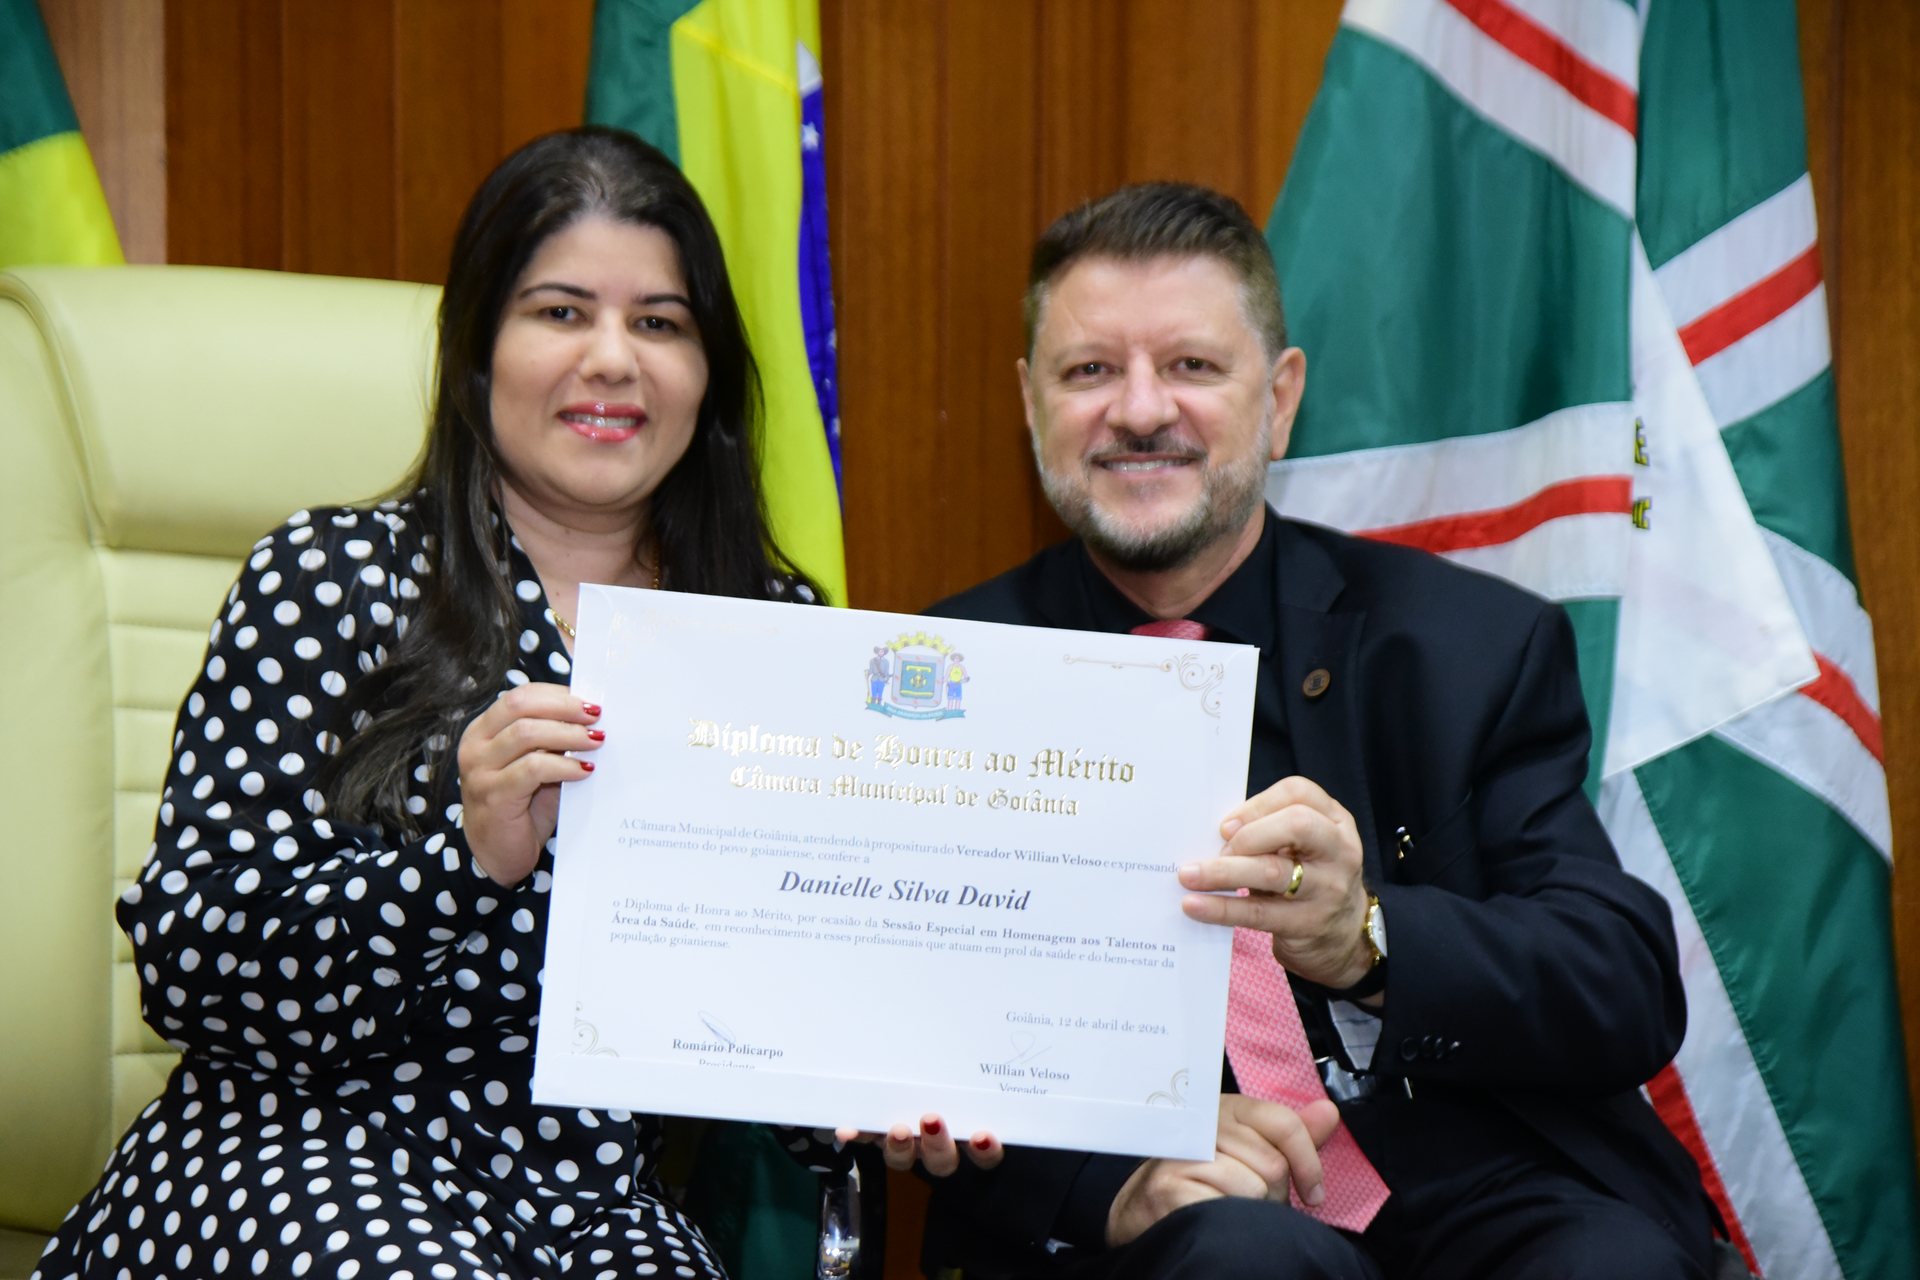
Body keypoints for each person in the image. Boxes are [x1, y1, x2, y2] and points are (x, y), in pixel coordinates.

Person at [33, 128, 846, 1280]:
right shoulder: (328, 578)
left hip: (588, 1197)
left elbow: (784, 996)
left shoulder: (773, 632)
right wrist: (460, 861)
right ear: (477, 352)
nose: (614, 359)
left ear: (709, 372)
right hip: (298, 1149)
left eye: (660, 323)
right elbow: (190, 962)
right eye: (561, 312)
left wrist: (882, 1104)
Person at [916, 183, 1718, 1280]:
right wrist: (1109, 1182)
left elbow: (1622, 981)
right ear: (1030, 400)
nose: (1141, 410)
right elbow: (882, 1029)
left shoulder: (1468, 645)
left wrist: (1369, 939)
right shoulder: (944, 676)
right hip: (1179, 1223)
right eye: (1090, 370)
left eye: (1193, 366)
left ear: (1281, 398)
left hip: (1476, 1177)